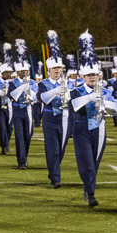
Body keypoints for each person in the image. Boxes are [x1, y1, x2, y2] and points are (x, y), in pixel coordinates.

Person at [68, 31, 117, 206]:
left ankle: (88, 189)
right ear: (83, 76)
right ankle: (91, 194)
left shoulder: (106, 91)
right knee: (87, 163)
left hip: (99, 128)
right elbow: (75, 105)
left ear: (99, 75)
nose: (92, 78)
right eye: (89, 75)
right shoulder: (77, 90)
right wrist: (91, 98)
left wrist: (105, 101)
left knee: (95, 163)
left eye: (94, 75)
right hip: (81, 129)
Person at [38, 31, 70, 188]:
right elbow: (42, 98)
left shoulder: (68, 82)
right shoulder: (43, 83)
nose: (57, 70)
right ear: (49, 70)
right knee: (52, 149)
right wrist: (57, 91)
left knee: (62, 148)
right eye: (54, 68)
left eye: (59, 67)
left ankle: (53, 171)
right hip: (50, 118)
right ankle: (56, 178)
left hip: (65, 117)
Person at [8, 39, 36, 169]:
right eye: (22, 71)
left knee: (27, 135)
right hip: (18, 110)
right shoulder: (12, 83)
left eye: (26, 70)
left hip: (29, 110)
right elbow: (12, 95)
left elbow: (37, 95)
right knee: (19, 136)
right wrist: (23, 86)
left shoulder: (32, 82)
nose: (24, 72)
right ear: (17, 71)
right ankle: (21, 161)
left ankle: (25, 156)